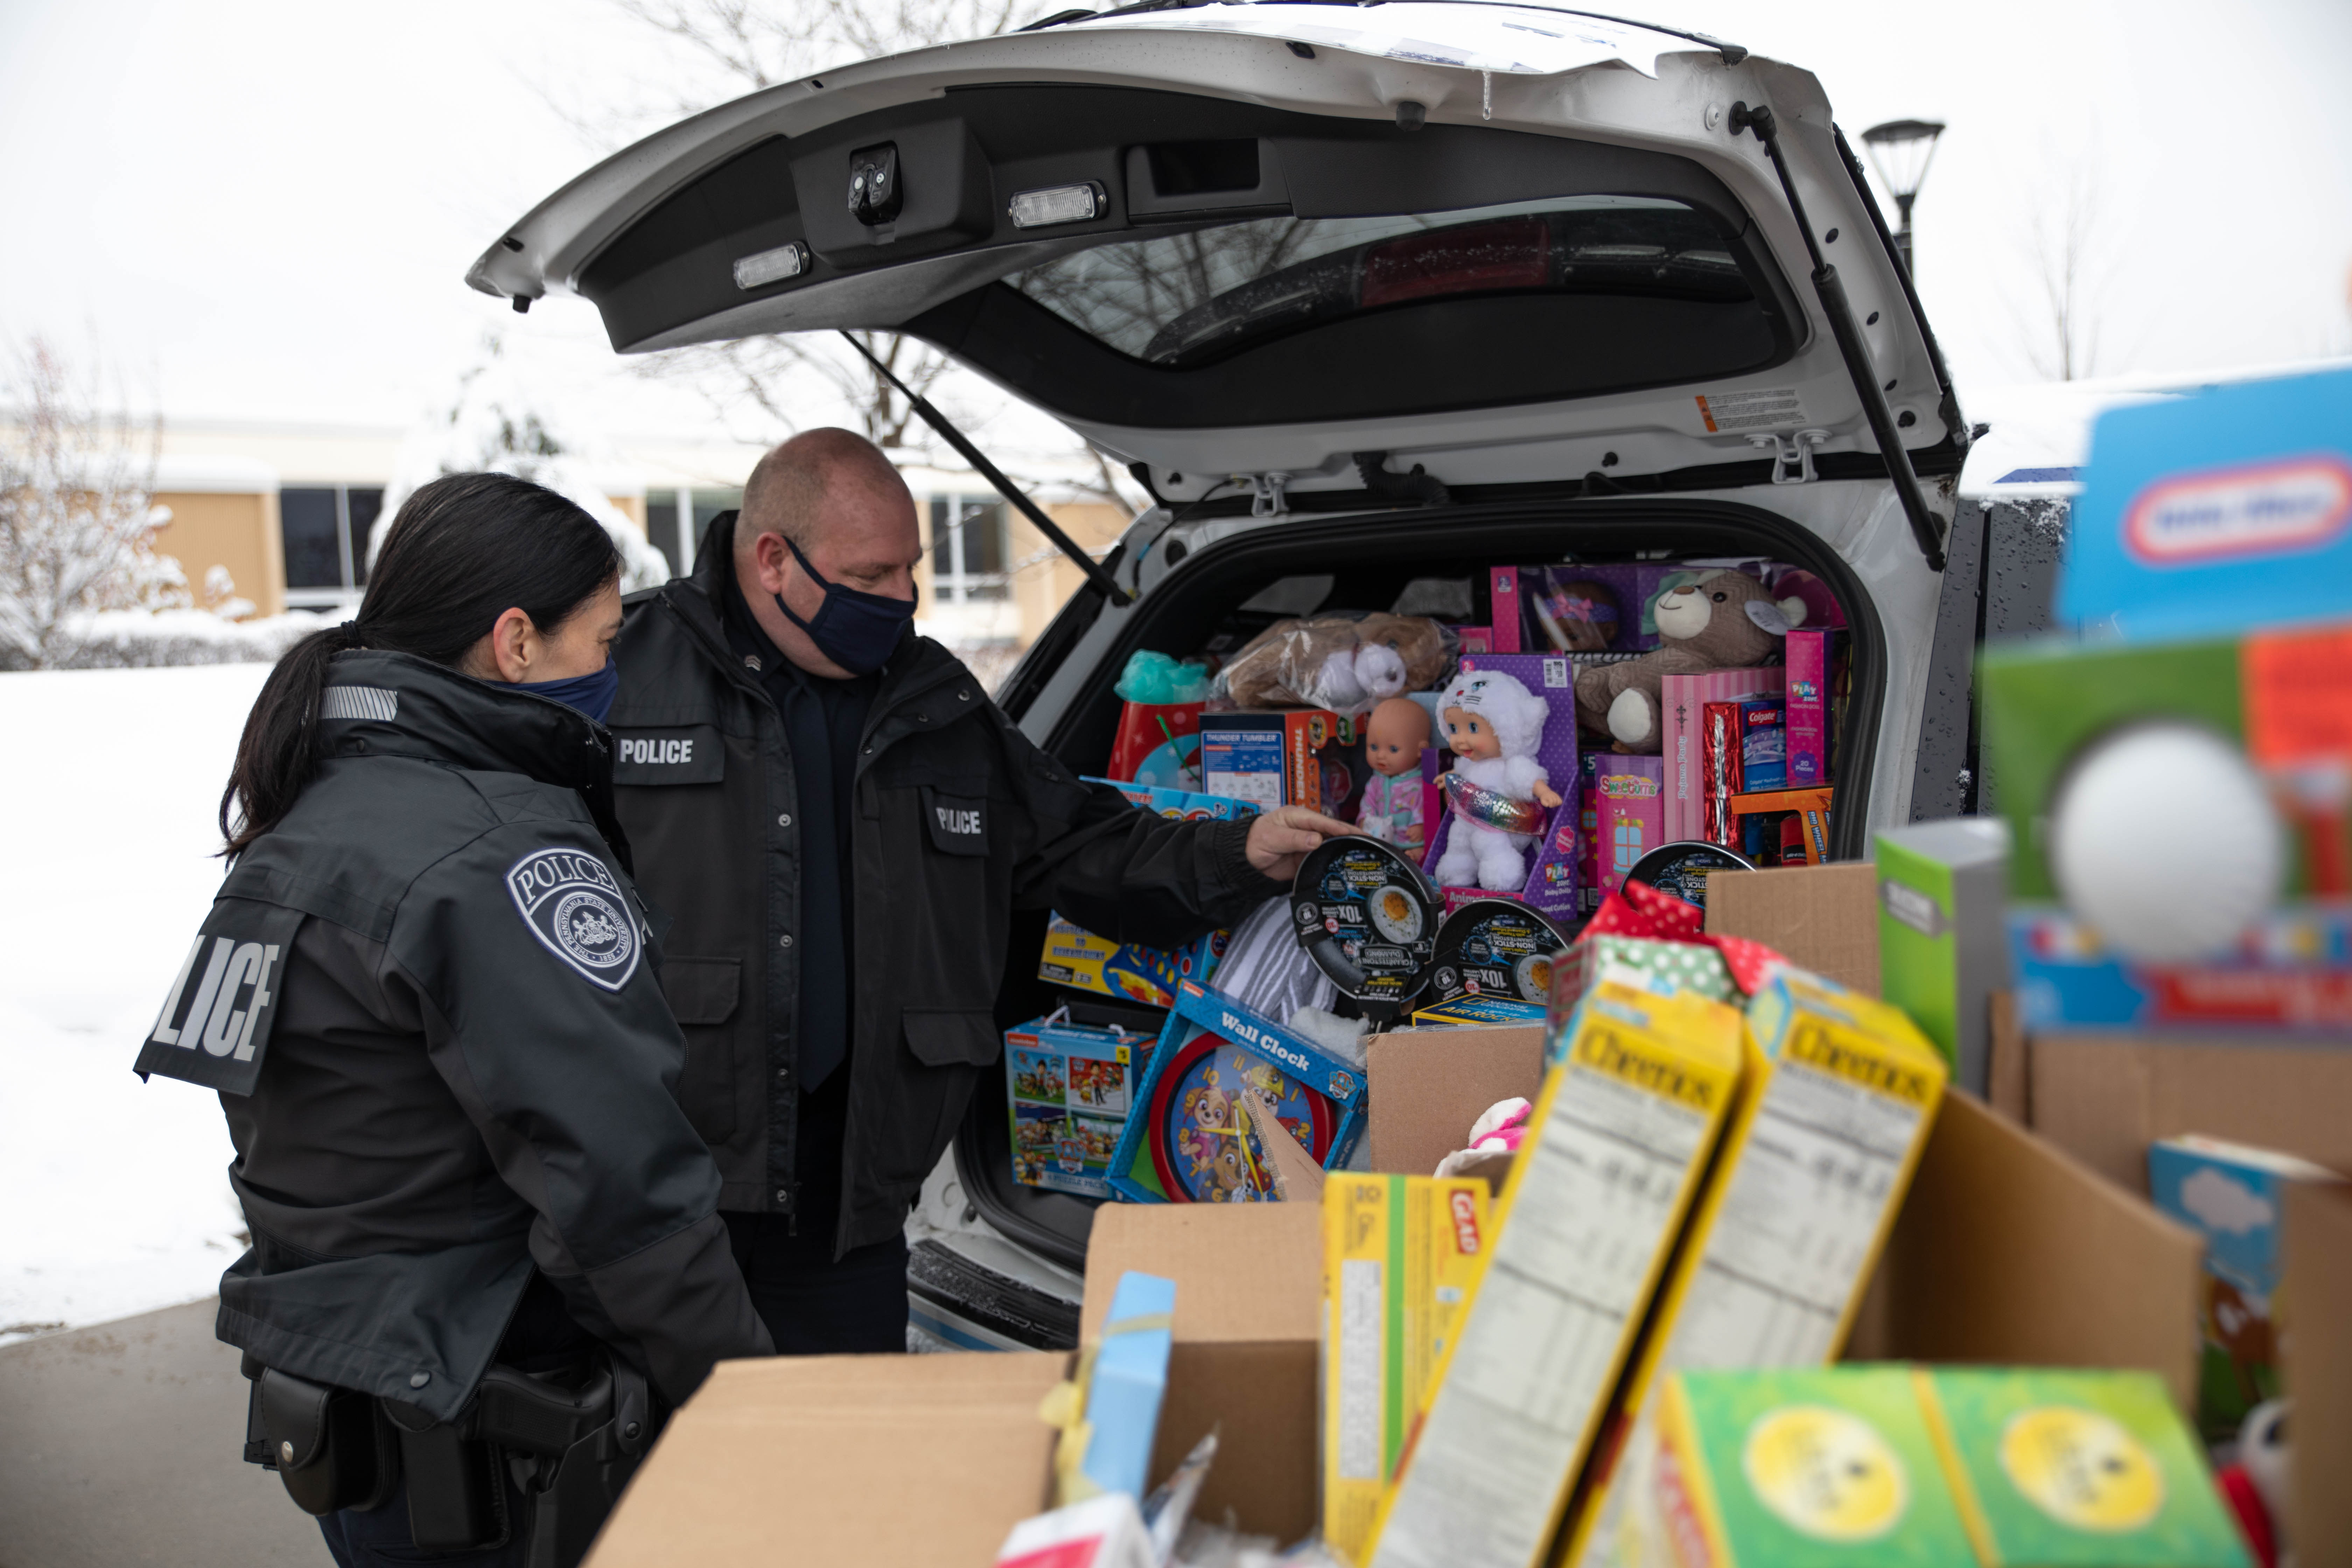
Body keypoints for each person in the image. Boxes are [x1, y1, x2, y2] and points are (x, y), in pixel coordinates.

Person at [134, 473, 770, 1568]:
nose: (612, 676)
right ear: (515, 642)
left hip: (352, 1419)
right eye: (604, 642)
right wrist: (759, 1401)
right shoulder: (498, 855)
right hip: (489, 1446)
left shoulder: (306, 824)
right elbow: (619, 1195)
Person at [608, 428, 1348, 1352]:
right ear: (772, 561)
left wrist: (1243, 851)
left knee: (846, 1478)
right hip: (667, 1216)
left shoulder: (933, 699)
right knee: (668, 1485)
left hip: (855, 1217)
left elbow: (1078, 844)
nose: (904, 600)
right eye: (873, 576)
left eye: (912, 571)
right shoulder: (619, 676)